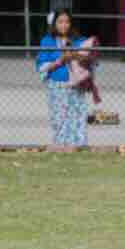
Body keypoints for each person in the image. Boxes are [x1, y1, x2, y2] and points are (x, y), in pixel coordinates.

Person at [35, 9, 90, 150]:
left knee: (77, 116)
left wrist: (75, 56)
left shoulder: (80, 40)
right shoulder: (47, 41)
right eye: (60, 22)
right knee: (59, 117)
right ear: (54, 24)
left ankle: (78, 146)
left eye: (67, 21)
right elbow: (41, 65)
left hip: (76, 86)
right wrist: (60, 60)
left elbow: (90, 59)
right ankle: (60, 146)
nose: (64, 25)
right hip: (57, 86)